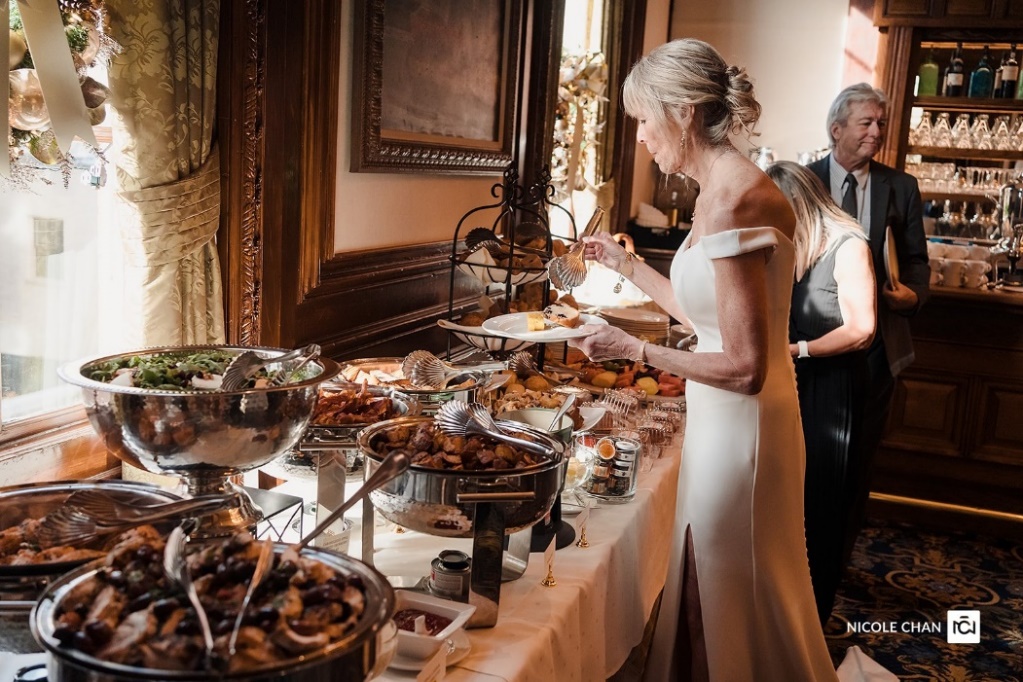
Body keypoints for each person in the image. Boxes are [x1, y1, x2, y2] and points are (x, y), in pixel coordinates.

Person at [571, 39, 855, 681]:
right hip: (720, 422)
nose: (641, 137)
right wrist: (627, 266)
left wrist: (634, 349)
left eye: (645, 119)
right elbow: (703, 318)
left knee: (724, 595)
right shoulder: (713, 192)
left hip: (744, 430)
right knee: (708, 587)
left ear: (686, 112)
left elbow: (747, 366)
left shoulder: (735, 201)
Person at [807, 84, 930, 569]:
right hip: (813, 340)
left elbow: (917, 261)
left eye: (881, 122)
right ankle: (800, 557)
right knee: (810, 454)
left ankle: (838, 557)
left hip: (877, 346)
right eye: (866, 123)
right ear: (836, 129)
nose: (877, 132)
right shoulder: (804, 181)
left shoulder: (902, 187)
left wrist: (914, 295)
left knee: (858, 460)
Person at [767, 160, 877, 626]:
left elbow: (862, 329)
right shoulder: (791, 245)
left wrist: (801, 349)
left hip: (832, 390)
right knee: (787, 503)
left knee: (821, 505)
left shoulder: (849, 245)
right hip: (790, 383)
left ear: (799, 204)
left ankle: (812, 618)